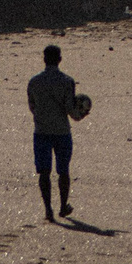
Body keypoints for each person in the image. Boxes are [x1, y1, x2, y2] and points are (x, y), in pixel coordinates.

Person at [27, 44, 79, 221]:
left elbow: (32, 106)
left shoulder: (34, 81)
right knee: (63, 171)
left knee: (44, 172)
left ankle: (48, 209)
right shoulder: (67, 81)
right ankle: (63, 206)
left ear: (44, 59)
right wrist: (82, 113)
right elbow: (71, 110)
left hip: (41, 131)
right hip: (61, 132)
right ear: (60, 60)